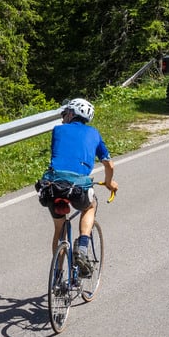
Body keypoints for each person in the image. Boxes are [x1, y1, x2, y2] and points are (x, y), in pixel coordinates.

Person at [38, 98, 117, 272]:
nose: (63, 117)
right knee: (90, 206)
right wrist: (109, 183)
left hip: (53, 186)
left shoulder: (58, 130)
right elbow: (109, 164)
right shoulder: (94, 133)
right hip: (77, 188)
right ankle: (82, 248)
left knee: (59, 230)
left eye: (65, 113)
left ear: (72, 114)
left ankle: (58, 275)